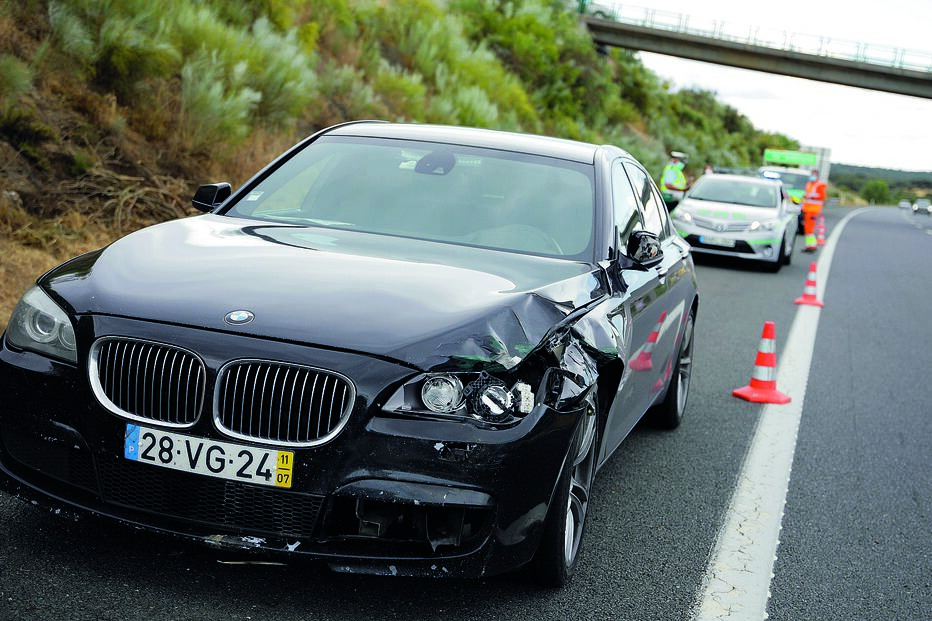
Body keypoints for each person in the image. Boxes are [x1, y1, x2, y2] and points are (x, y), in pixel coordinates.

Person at [801, 169, 827, 252]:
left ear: (817, 176)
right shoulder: (809, 184)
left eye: (814, 175)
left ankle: (812, 246)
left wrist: (812, 197)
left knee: (809, 228)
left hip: (813, 210)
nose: (812, 176)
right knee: (807, 228)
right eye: (812, 174)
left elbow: (822, 197)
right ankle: (810, 245)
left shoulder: (820, 185)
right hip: (807, 209)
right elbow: (806, 195)